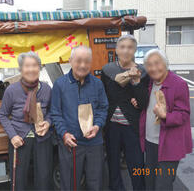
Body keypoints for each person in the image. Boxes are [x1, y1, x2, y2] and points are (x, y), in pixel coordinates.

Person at [51, 45, 109, 190]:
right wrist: (64, 134)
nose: (83, 65)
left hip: (94, 142)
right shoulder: (60, 84)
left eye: (87, 61)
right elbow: (56, 113)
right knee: (70, 184)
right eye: (78, 61)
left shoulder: (97, 84)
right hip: (71, 143)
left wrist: (97, 126)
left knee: (95, 183)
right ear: (70, 61)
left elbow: (103, 108)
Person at [139, 49, 193, 191]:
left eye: (157, 63)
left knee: (163, 184)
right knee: (149, 181)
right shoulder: (150, 83)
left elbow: (184, 114)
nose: (153, 68)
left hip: (169, 144)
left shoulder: (178, 84)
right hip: (150, 142)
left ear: (166, 64)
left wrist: (165, 116)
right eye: (149, 65)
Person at [0, 51, 53, 190]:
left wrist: (48, 123)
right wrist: (13, 136)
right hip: (19, 138)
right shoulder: (11, 90)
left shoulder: (46, 89)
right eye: (27, 66)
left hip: (42, 138)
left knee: (44, 177)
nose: (31, 69)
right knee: (19, 179)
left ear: (39, 68)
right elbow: (3, 115)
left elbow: (53, 112)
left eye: (35, 65)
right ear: (21, 69)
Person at [101, 35, 148, 190]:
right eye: (122, 47)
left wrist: (136, 82)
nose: (126, 50)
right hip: (112, 125)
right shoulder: (108, 70)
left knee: (136, 164)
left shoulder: (142, 72)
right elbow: (104, 97)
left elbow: (143, 102)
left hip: (132, 126)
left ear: (135, 50)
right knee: (113, 163)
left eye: (130, 47)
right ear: (116, 50)